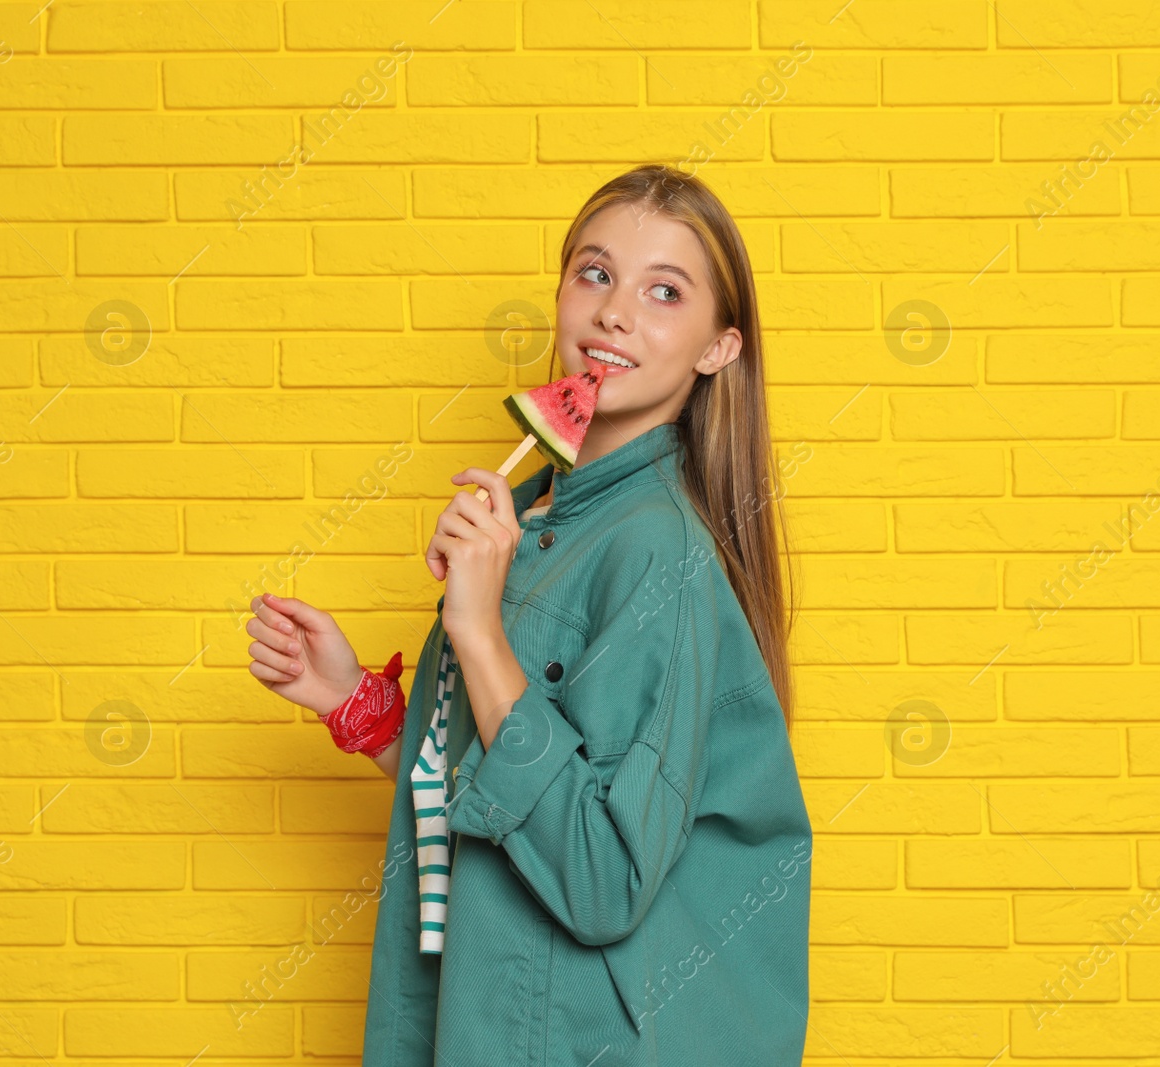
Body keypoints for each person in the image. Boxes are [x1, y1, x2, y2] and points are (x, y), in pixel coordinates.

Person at [244, 164, 813, 1066]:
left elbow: (602, 877)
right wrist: (356, 703)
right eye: (595, 273)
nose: (614, 312)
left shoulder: (659, 548)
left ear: (719, 348)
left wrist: (475, 629)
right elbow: (498, 790)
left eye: (664, 292)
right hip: (481, 1010)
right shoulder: (540, 513)